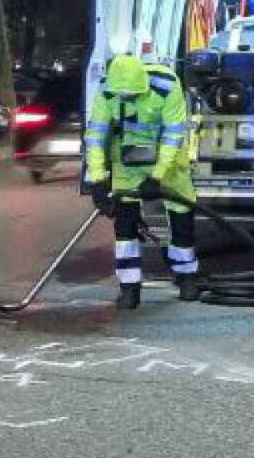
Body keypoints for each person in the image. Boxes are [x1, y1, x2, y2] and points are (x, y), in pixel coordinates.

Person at [83, 50, 197, 310]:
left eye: (131, 95)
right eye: (123, 96)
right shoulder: (108, 89)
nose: (126, 99)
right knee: (125, 223)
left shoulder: (166, 85)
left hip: (168, 161)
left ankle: (186, 276)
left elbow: (173, 132)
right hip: (128, 159)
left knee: (181, 213)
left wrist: (157, 176)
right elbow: (95, 136)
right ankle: (129, 286)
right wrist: (98, 180)